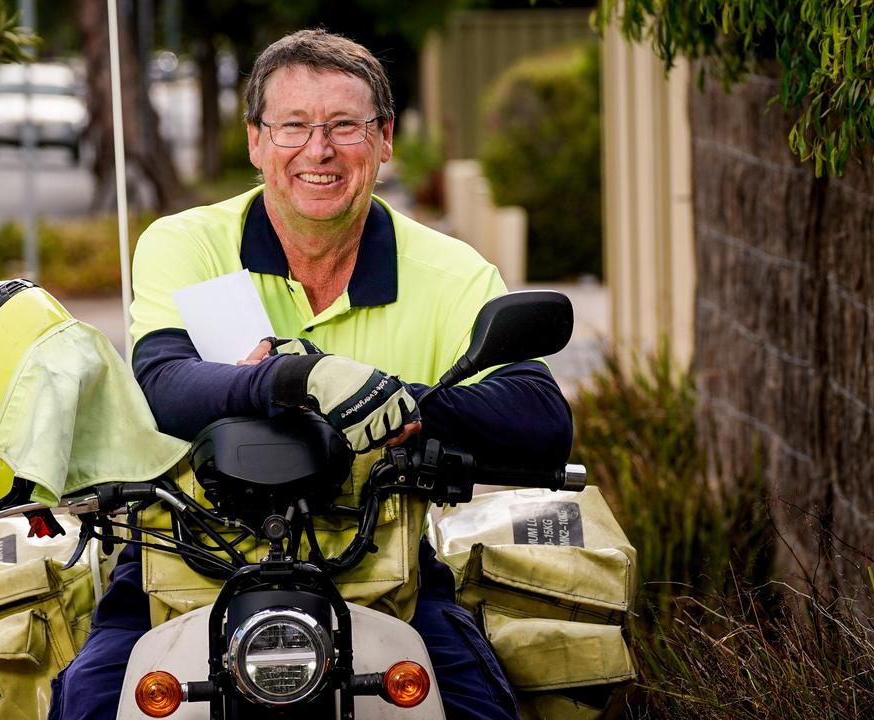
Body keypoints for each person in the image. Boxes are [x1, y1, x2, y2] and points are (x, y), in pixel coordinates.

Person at [50, 29, 572, 720]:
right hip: (177, 574)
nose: (318, 150)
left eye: (344, 126)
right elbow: (164, 385)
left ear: (384, 140)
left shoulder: (451, 272)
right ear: (256, 142)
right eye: (293, 126)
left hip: (386, 582)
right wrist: (300, 379)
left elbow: (542, 421)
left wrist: (405, 407)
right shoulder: (187, 244)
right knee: (89, 702)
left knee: (480, 709)